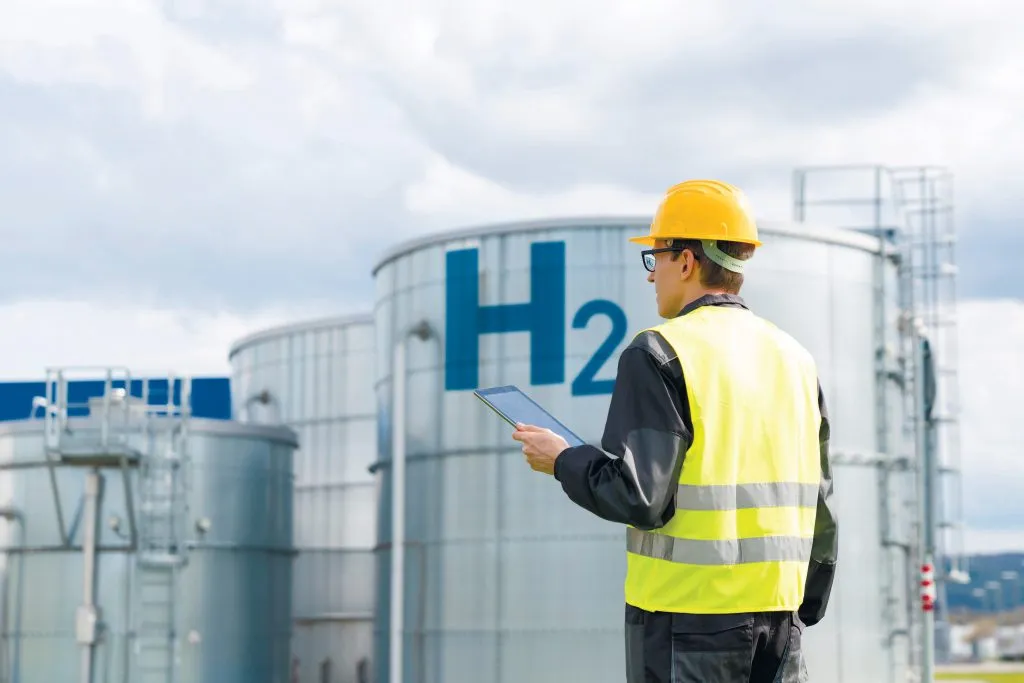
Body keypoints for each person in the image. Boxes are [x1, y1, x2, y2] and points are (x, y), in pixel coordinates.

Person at [512, 179, 838, 683]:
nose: (651, 274)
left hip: (686, 623)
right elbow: (820, 497)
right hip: (781, 620)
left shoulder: (660, 352)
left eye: (656, 257)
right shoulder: (795, 358)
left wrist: (562, 460)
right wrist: (807, 601)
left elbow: (639, 497)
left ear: (686, 261)